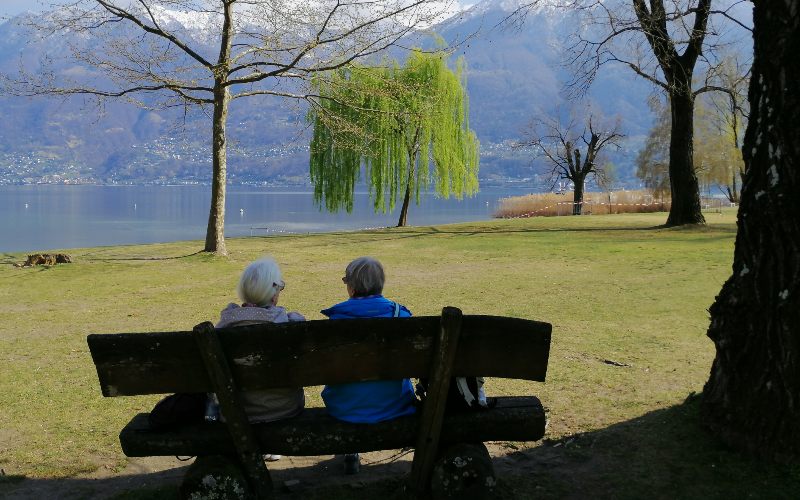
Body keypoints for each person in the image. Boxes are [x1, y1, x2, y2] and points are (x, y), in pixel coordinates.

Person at [320, 256, 417, 474]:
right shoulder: (401, 316)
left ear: (352, 288)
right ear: (380, 285)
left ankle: (351, 450)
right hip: (394, 404)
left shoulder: (335, 322)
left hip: (344, 407)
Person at [212, 256, 306, 461]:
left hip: (235, 413)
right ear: (274, 295)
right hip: (285, 409)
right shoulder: (289, 326)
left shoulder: (222, 329)